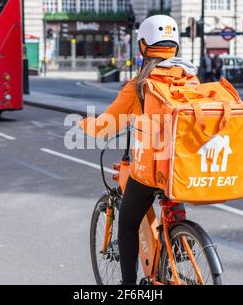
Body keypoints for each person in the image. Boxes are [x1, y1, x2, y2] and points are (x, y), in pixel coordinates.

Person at [79, 15, 185, 285]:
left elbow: (106, 126)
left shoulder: (140, 85)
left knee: (127, 223)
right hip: (183, 167)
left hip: (152, 168)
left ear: (142, 46)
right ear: (175, 46)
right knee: (173, 197)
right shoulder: (189, 80)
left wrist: (85, 125)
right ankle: (182, 242)